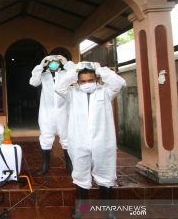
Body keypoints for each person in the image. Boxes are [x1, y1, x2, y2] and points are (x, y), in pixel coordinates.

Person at [54, 61, 126, 219]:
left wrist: (99, 68)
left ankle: (108, 210)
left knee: (106, 175)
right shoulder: (72, 94)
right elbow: (58, 87)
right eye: (83, 81)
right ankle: (82, 209)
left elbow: (120, 82)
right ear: (78, 82)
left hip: (103, 143)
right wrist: (75, 70)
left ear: (97, 79)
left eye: (90, 80)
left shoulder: (106, 92)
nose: (87, 84)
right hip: (79, 142)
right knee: (80, 175)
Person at [29, 55, 74, 175]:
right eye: (50, 62)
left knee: (66, 137)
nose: (53, 63)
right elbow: (33, 82)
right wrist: (40, 65)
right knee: (46, 137)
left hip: (63, 110)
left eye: (56, 61)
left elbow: (75, 77)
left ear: (60, 63)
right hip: (46, 111)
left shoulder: (66, 73)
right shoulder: (43, 75)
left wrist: (67, 63)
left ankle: (70, 164)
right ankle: (45, 166)